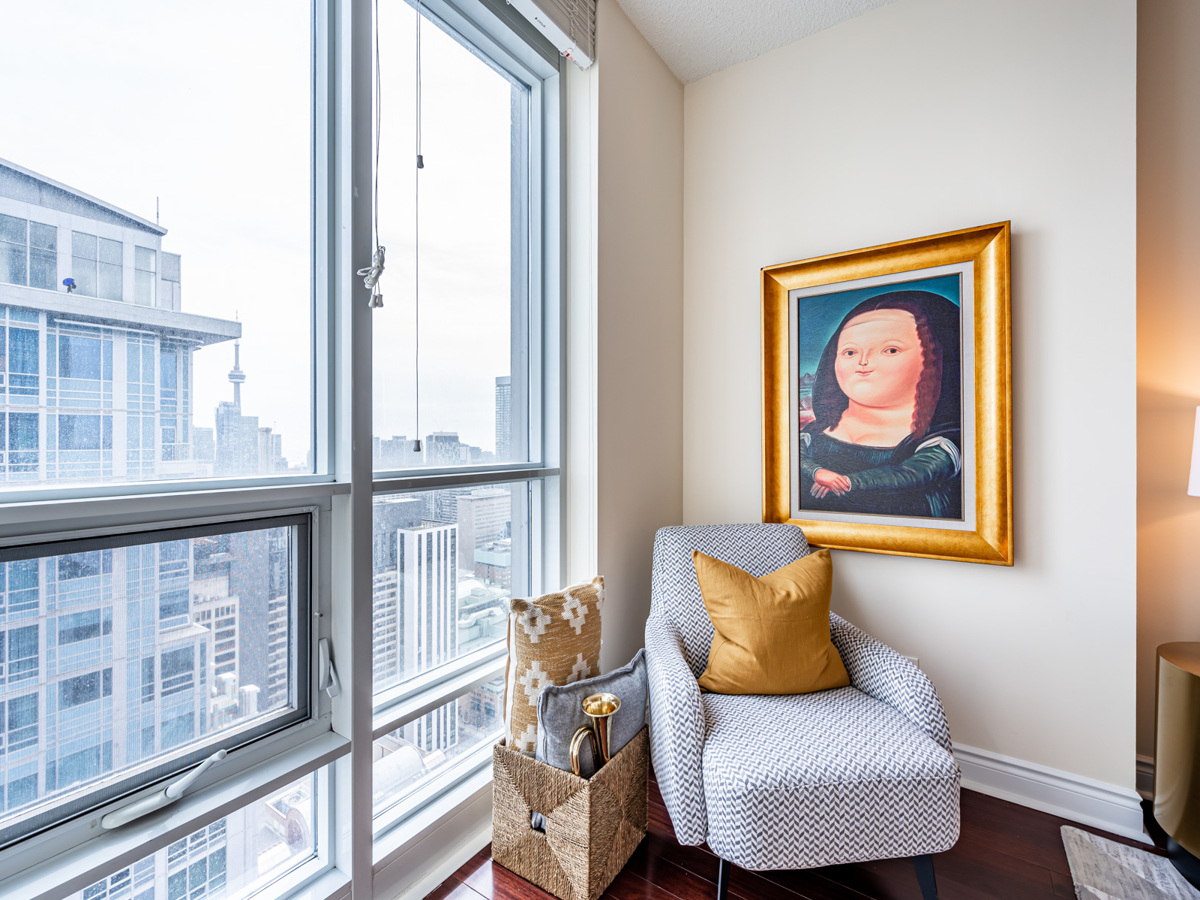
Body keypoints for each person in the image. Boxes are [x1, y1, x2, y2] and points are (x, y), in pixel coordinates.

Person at [798, 289, 963, 519]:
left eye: (891, 350)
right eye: (850, 351)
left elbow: (911, 474)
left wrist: (844, 482)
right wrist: (817, 472)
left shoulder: (942, 444)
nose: (863, 361)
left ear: (935, 360)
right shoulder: (811, 434)